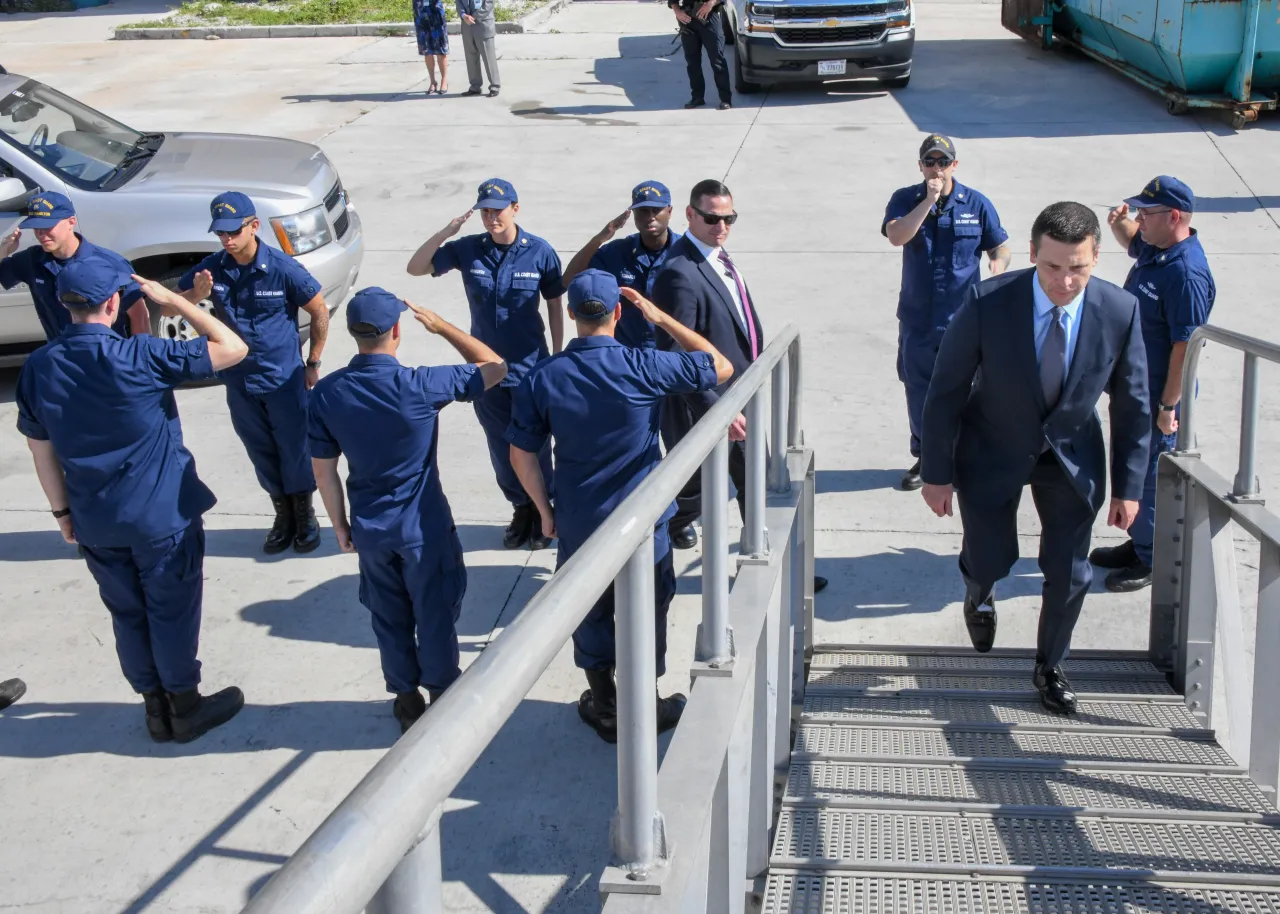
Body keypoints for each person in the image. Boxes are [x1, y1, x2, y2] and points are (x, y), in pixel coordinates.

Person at [919, 201, 1150, 714]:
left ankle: (1050, 666)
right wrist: (936, 473)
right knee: (990, 555)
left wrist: (1129, 487)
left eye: (1079, 268)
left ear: (1095, 259)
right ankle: (979, 590)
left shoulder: (1119, 310)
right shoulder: (988, 302)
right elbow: (946, 391)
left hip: (1070, 456)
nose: (1065, 281)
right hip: (993, 447)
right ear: (1031, 253)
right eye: (1052, 266)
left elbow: (1134, 403)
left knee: (1070, 573)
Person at [15, 252, 250, 742]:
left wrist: (62, 514)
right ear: (114, 303)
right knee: (170, 610)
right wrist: (175, 302)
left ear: (65, 304)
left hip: (95, 520)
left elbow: (42, 451)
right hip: (160, 517)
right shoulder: (140, 356)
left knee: (126, 613)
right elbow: (232, 347)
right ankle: (183, 707)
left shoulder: (39, 367)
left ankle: (153, 709)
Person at [506, 270, 732, 742]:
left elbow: (521, 453)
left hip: (578, 520)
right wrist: (661, 317)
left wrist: (545, 512)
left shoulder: (544, 377)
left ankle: (603, 703)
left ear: (570, 315)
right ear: (620, 312)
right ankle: (643, 704)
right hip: (642, 524)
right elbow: (719, 365)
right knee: (646, 608)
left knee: (588, 610)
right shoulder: (643, 364)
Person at [309, 288, 507, 734]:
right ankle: (440, 694)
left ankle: (405, 698)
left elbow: (324, 472)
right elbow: (496, 367)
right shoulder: (421, 385)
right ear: (396, 331)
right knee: (434, 614)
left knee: (388, 615)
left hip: (371, 530)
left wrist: (340, 525)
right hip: (423, 528)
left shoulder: (326, 394)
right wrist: (444, 328)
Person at [650, 180, 829, 591]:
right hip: (716, 407)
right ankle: (653, 542)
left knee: (750, 487)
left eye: (729, 218)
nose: (722, 226)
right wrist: (717, 410)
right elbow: (677, 355)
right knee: (708, 489)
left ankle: (768, 568)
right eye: (712, 218)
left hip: (739, 400)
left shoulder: (716, 256)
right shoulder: (679, 273)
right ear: (690, 215)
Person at [406, 178, 564, 551]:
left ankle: (546, 512)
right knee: (499, 444)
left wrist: (556, 356)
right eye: (485, 211)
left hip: (529, 368)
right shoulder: (467, 250)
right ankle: (521, 508)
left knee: (535, 444)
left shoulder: (540, 252)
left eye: (499, 209)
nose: (492, 217)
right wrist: (449, 229)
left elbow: (555, 303)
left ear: (516, 208)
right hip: (485, 370)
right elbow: (416, 267)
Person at [174, 192, 330, 556]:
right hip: (239, 380)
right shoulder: (214, 268)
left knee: (293, 449)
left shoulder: (281, 267)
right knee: (260, 450)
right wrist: (196, 296)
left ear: (254, 226)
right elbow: (169, 301)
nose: (227, 240)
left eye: (233, 232)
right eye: (221, 233)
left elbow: (319, 309)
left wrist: (314, 361)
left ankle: (305, 516)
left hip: (283, 379)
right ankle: (282, 516)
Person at [1091, 177, 1215, 593]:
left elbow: (1185, 348)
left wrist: (1168, 407)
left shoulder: (1185, 274)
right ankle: (1139, 541)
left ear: (1175, 217)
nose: (1140, 219)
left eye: (1147, 213)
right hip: (1135, 387)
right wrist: (1119, 223)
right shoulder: (1160, 249)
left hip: (1160, 396)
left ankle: (1153, 558)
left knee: (1150, 478)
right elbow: (1133, 242)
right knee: (1132, 467)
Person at [883, 134, 1011, 491]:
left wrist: (996, 272)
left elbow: (999, 247)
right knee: (919, 389)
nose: (936, 168)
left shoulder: (976, 203)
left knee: (967, 389)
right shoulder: (905, 200)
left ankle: (964, 454)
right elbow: (897, 236)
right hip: (918, 318)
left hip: (963, 319)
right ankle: (928, 457)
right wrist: (928, 201)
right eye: (930, 162)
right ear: (920, 165)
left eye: (943, 162)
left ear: (955, 164)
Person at [0, 192, 149, 342]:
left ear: (71, 222)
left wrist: (140, 356)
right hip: (61, 357)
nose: (41, 234)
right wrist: (3, 251)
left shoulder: (110, 262)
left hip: (105, 356)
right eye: (36, 227)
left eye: (48, 226)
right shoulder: (32, 260)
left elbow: (139, 314)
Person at [563, 181, 682, 350]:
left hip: (673, 355)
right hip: (625, 356)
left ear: (669, 211)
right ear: (633, 214)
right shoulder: (616, 252)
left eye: (656, 210)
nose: (650, 217)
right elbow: (569, 281)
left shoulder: (686, 252)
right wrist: (600, 238)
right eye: (643, 211)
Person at [669, 0, 732, 110]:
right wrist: (677, 12)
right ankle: (697, 97)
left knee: (717, 60)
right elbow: (672, 1)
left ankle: (725, 99)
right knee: (692, 62)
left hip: (709, 16)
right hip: (688, 19)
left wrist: (710, 3)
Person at [457, 0, 500, 98]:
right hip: (467, 26)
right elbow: (459, 3)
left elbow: (489, 4)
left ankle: (495, 86)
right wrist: (464, 16)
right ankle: (475, 86)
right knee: (471, 58)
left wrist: (474, 17)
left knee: (488, 58)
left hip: (483, 25)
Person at [414, 0, 449, 95]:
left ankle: (444, 80)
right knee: (427, 51)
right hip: (421, 11)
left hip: (436, 11)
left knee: (440, 49)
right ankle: (432, 81)